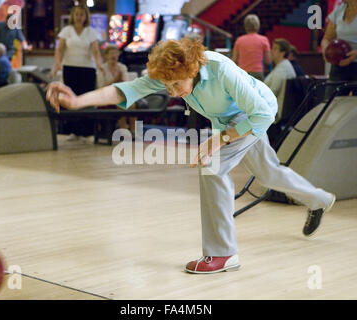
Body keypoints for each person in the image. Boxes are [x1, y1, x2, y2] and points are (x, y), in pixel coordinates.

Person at [46, 38, 336, 274]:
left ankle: (222, 254)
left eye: (176, 85)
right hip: (228, 122)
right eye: (168, 86)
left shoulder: (222, 70)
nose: (173, 91)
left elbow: (262, 116)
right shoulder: (172, 72)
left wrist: (219, 139)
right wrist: (77, 100)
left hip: (254, 115)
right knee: (268, 174)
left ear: (194, 68)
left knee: (212, 165)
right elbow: (127, 90)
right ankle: (320, 199)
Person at [53, 4, 105, 140]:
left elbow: (95, 50)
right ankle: (71, 130)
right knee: (71, 98)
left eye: (82, 14)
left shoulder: (91, 32)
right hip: (70, 68)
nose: (79, 17)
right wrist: (57, 63)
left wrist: (99, 64)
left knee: (85, 98)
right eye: (77, 14)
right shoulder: (66, 30)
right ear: (73, 16)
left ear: (86, 17)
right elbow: (60, 49)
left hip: (87, 69)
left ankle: (86, 131)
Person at [97, 45, 136, 133]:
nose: (114, 56)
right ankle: (124, 129)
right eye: (111, 53)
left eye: (116, 53)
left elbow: (126, 84)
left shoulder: (122, 67)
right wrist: (115, 80)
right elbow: (101, 87)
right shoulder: (101, 69)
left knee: (131, 103)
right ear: (106, 55)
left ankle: (133, 131)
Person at [231, 14, 272, 81]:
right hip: (257, 73)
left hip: (242, 73)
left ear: (245, 26)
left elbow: (234, 59)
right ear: (258, 25)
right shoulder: (264, 39)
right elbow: (268, 61)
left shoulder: (239, 40)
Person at [264, 38, 297, 104]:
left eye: (275, 49)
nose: (271, 51)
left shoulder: (283, 68)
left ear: (283, 53)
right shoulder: (283, 65)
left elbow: (273, 91)